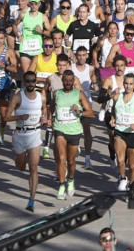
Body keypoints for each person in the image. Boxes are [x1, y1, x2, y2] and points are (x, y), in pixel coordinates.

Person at [3, 71, 47, 212]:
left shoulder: (41, 96)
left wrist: (44, 117)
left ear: (36, 81)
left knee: (33, 167)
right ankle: (18, 159)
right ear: (24, 81)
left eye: (33, 81)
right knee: (21, 167)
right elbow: (6, 117)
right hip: (20, 134)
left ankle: (31, 201)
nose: (30, 83)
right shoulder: (18, 97)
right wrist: (20, 117)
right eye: (28, 81)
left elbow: (45, 109)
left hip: (35, 134)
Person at [52, 69, 95, 200]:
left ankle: (70, 180)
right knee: (61, 157)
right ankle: (61, 185)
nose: (68, 83)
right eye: (66, 80)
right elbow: (51, 107)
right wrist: (48, 117)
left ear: (73, 81)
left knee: (71, 161)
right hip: (59, 128)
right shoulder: (56, 93)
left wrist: (79, 112)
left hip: (74, 131)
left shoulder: (79, 94)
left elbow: (90, 112)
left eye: (70, 81)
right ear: (62, 81)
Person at [110, 70, 134, 191]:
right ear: (123, 84)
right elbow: (113, 110)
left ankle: (132, 184)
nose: (128, 86)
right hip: (120, 132)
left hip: (133, 134)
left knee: (132, 166)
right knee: (120, 159)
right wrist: (113, 118)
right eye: (126, 83)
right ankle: (123, 178)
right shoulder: (117, 97)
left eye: (131, 84)